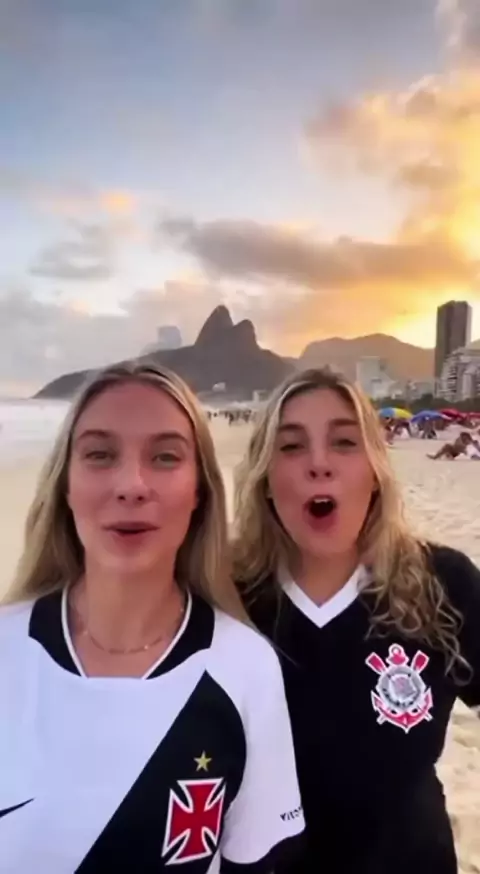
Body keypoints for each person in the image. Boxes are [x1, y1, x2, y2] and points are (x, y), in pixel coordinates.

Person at [0, 362, 304, 873]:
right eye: (100, 454)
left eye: (165, 457)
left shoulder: (246, 668)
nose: (131, 485)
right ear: (66, 485)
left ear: (199, 492)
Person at [233, 366, 480, 874]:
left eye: (345, 442)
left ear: (374, 471)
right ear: (266, 480)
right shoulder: (227, 595)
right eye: (291, 446)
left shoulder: (444, 583)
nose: (319, 464)